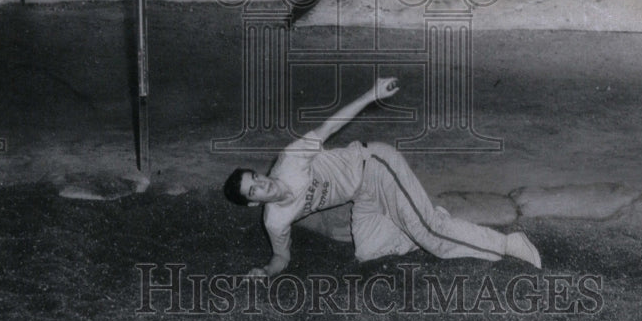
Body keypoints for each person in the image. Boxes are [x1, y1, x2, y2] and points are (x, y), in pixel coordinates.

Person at [224, 78, 541, 278]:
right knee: (369, 251)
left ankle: (508, 243)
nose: (263, 185)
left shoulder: (290, 160)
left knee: (431, 236)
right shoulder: (275, 221)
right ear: (254, 204)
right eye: (255, 192)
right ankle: (427, 219)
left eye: (257, 178)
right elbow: (282, 255)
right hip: (362, 196)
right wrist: (266, 270)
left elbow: (330, 126)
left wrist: (371, 95)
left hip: (374, 165)